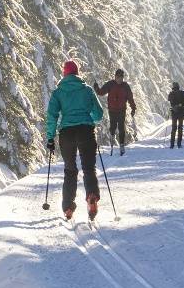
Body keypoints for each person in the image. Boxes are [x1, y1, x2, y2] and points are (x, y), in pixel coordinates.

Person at [46, 60, 105, 220]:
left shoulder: (58, 92)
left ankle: (68, 207)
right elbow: (98, 114)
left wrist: (50, 137)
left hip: (67, 133)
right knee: (88, 168)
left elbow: (52, 115)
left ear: (64, 74)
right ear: (77, 73)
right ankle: (92, 195)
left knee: (70, 170)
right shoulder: (87, 90)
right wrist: (88, 116)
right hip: (86, 131)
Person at [93, 69, 136, 156]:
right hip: (112, 110)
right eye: (118, 77)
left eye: (121, 77)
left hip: (121, 110)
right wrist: (96, 88)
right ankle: (112, 136)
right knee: (112, 127)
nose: (119, 79)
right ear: (115, 77)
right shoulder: (110, 84)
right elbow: (101, 92)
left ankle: (122, 145)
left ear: (123, 78)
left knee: (121, 127)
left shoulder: (125, 86)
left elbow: (130, 98)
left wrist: (133, 108)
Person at [167, 82, 184, 148]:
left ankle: (172, 145)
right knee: (180, 128)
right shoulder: (182, 92)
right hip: (181, 112)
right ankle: (179, 144)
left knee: (173, 128)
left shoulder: (171, 93)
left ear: (173, 87)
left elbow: (169, 100)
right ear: (178, 86)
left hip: (174, 112)